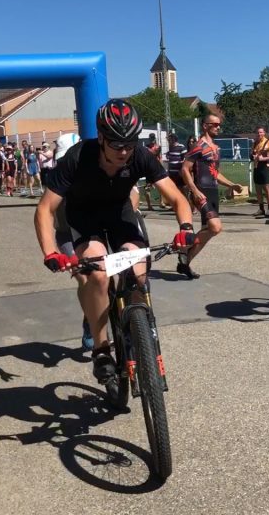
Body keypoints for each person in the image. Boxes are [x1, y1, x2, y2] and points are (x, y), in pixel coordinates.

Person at [35, 98, 194, 385]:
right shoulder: (77, 157)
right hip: (84, 218)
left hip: (119, 215)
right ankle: (100, 348)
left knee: (138, 272)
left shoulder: (140, 155)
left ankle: (137, 330)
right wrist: (50, 252)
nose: (124, 151)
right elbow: (45, 209)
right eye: (116, 144)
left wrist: (185, 228)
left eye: (129, 144)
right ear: (101, 138)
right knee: (98, 275)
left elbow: (177, 198)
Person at [180, 114, 244, 279]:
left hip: (213, 192)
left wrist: (231, 184)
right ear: (205, 126)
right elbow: (185, 169)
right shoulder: (198, 146)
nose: (218, 127)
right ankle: (185, 251)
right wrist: (194, 190)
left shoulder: (216, 148)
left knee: (208, 232)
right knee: (215, 227)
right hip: (201, 192)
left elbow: (215, 173)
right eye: (214, 124)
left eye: (219, 124)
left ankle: (185, 262)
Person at [251, 126, 269, 220]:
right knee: (258, 189)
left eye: (261, 132)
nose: (259, 134)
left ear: (264, 133)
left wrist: (263, 159)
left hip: (265, 168)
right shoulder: (255, 143)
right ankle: (261, 209)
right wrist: (253, 157)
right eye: (258, 132)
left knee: (267, 189)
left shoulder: (268, 142)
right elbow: (251, 155)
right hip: (256, 167)